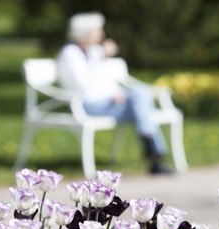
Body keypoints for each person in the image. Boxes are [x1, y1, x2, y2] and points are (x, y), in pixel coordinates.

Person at [56, 12, 172, 174]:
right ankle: (154, 153)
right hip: (86, 104)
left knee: (142, 97)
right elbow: (84, 86)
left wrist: (116, 91)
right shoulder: (70, 53)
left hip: (106, 102)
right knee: (141, 101)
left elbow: (106, 81)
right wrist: (101, 58)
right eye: (97, 30)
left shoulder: (92, 52)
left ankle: (153, 151)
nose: (101, 34)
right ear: (85, 32)